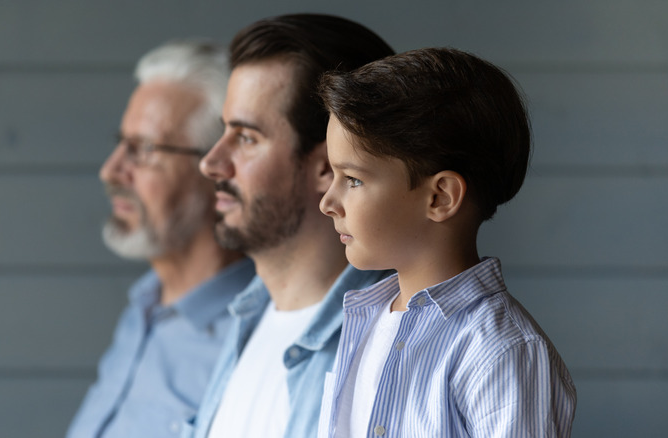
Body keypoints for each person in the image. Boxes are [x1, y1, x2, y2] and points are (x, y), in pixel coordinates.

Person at [316, 47, 577, 437]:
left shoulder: (502, 352)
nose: (327, 203)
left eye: (353, 179)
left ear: (440, 197)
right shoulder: (366, 320)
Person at [184, 14, 395, 438]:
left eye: (246, 138)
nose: (211, 163)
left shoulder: (391, 347)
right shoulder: (249, 316)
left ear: (327, 164)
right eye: (224, 131)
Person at [66, 40, 255, 438]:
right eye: (121, 144)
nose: (111, 170)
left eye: (144, 149)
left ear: (217, 169)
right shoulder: (143, 307)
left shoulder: (251, 344)